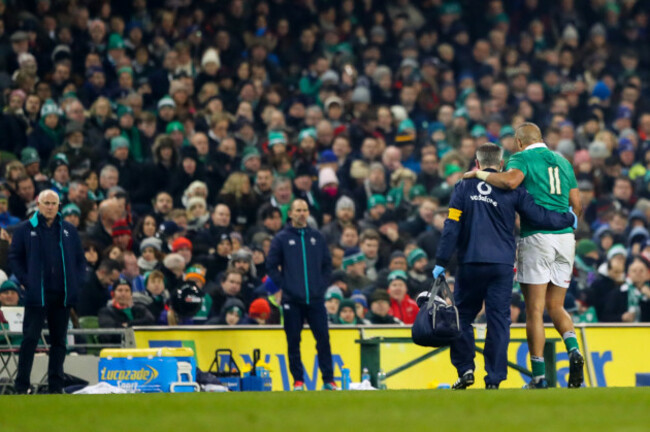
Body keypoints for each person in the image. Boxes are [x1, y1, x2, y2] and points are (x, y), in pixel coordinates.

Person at [439, 143, 577, 390]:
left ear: (478, 164)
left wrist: (441, 261)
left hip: (470, 263)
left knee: (462, 317)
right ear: (502, 164)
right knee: (498, 321)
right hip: (501, 266)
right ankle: (493, 380)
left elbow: (452, 225)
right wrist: (568, 218)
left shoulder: (462, 186)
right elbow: (539, 216)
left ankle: (466, 369)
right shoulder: (514, 192)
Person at [8, 189, 86, 394]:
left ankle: (55, 386)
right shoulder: (25, 229)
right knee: (30, 339)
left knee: (59, 342)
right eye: (47, 203)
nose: (50, 207)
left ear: (58, 206)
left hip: (62, 293)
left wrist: (76, 282)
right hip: (37, 294)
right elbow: (14, 257)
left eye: (54, 203)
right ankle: (22, 385)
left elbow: (79, 260)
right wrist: (26, 280)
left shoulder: (68, 230)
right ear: (38, 204)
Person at [266, 199, 335, 390]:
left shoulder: (317, 237)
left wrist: (321, 286)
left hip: (315, 299)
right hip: (292, 300)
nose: (302, 213)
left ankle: (328, 380)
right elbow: (271, 265)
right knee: (293, 341)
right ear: (290, 213)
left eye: (305, 210)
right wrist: (285, 285)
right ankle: (298, 380)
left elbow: (327, 265)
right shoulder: (281, 238)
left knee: (323, 339)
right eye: (298, 210)